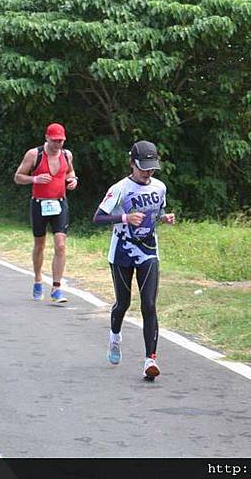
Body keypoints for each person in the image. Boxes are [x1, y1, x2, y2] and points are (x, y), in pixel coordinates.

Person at [93, 140, 175, 380]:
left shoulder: (160, 187)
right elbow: (98, 217)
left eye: (151, 168)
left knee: (149, 304)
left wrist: (164, 217)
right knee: (123, 303)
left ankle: (150, 359)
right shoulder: (120, 188)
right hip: (122, 252)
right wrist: (125, 218)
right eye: (143, 168)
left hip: (148, 250)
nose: (148, 172)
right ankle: (115, 337)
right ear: (132, 164)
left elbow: (155, 213)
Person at [14, 123, 78, 303]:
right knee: (40, 245)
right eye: (56, 141)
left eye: (62, 141)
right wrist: (34, 178)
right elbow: (18, 177)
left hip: (59, 203)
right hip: (39, 204)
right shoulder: (34, 154)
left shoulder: (67, 154)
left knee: (60, 245)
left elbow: (70, 172)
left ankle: (57, 288)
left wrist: (73, 180)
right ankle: (38, 280)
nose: (59, 144)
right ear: (47, 138)